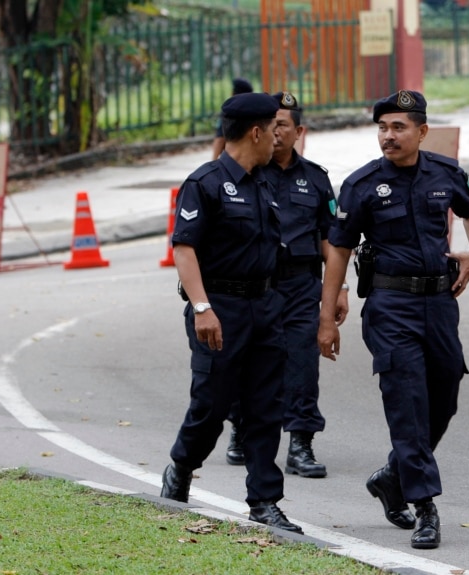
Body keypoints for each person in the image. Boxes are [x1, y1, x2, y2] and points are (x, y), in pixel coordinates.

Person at [317, 90, 469, 550]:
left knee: (445, 393)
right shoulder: (362, 184)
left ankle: (394, 474)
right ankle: (425, 506)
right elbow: (339, 250)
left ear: (422, 131)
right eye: (383, 128)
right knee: (407, 399)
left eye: (398, 128)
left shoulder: (445, 173)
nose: (388, 137)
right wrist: (327, 315)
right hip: (391, 305)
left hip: (439, 302)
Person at [159, 91, 303, 534]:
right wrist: (202, 308)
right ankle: (181, 468)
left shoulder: (263, 182)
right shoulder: (205, 183)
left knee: (266, 406)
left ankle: (264, 501)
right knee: (212, 404)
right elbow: (184, 248)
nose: (281, 137)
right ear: (256, 132)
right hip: (219, 308)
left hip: (263, 305)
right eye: (275, 129)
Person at [225, 91, 347, 477]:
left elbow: (333, 240)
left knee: (302, 363)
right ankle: (241, 429)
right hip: (254, 285)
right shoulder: (242, 175)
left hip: (299, 286)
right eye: (270, 124)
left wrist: (339, 288)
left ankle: (300, 443)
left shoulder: (315, 179)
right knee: (247, 361)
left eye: (283, 125)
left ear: (299, 131)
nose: (275, 132)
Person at [211, 77, 253, 161]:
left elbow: (220, 139)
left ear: (233, 93)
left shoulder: (229, 111)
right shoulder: (255, 110)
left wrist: (213, 162)